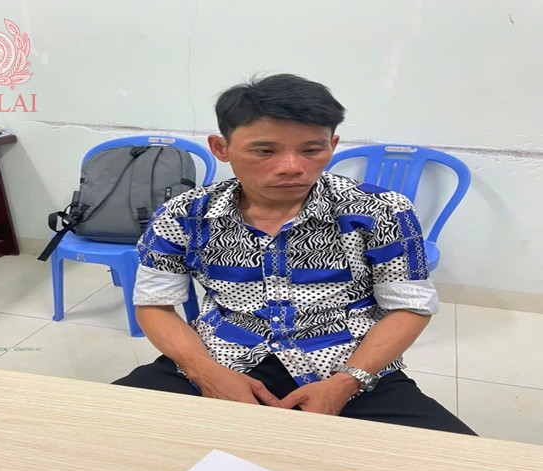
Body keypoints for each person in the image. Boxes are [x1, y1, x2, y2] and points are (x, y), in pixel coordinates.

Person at [113, 73, 475, 435]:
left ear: (332, 145)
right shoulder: (184, 215)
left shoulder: (380, 210)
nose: (291, 166)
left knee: (460, 458)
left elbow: (410, 306)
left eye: (311, 150)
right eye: (264, 151)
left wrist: (345, 384)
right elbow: (154, 305)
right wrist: (205, 373)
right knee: (104, 426)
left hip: (348, 366)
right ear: (221, 148)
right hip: (222, 359)